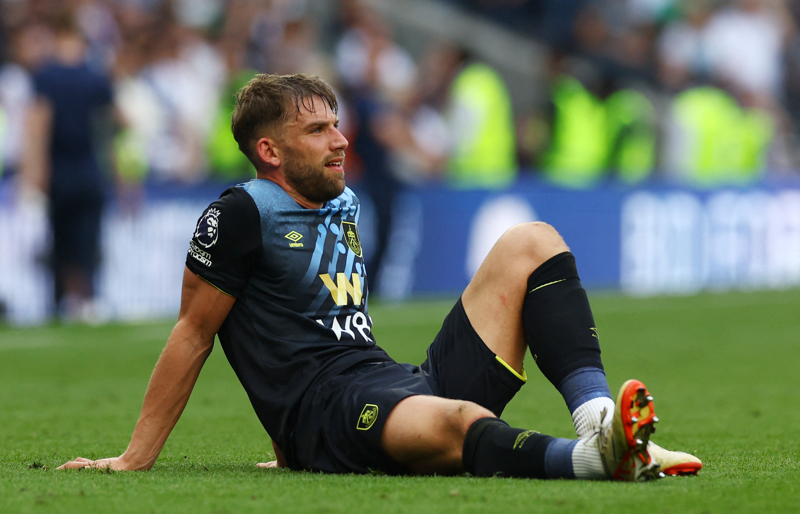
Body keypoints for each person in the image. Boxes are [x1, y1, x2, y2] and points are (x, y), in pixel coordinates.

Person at [58, 74, 701, 480]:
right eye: (317, 130)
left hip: (392, 380)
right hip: (332, 414)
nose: (340, 141)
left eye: (336, 124)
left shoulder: (339, 201)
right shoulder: (239, 215)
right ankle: (596, 461)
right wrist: (135, 457)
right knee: (458, 421)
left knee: (533, 242)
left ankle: (601, 424)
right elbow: (195, 334)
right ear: (269, 151)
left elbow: (294, 323)